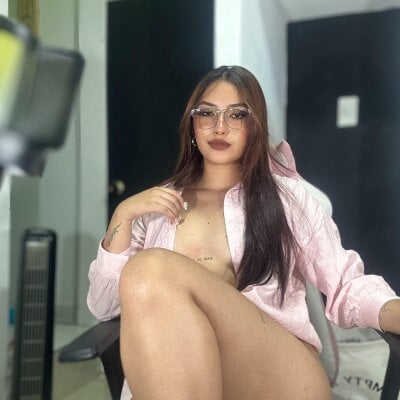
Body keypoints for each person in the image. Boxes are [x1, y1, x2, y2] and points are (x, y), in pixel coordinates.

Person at [87, 65, 400, 400]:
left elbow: (346, 284)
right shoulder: (155, 208)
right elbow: (105, 307)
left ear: (255, 126)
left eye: (237, 115)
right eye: (207, 113)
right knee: (145, 274)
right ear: (192, 125)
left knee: (150, 267)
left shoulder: (287, 198)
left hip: (281, 374)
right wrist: (122, 214)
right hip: (189, 378)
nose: (220, 126)